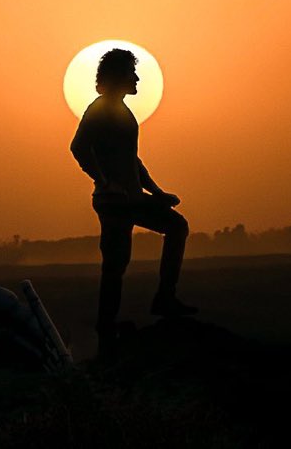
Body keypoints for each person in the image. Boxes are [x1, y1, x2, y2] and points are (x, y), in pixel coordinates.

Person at [70, 48, 198, 357]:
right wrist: (104, 181)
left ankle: (162, 300)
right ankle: (107, 334)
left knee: (174, 228)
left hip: (131, 197)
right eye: (132, 72)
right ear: (118, 76)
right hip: (114, 201)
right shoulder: (100, 109)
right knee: (116, 265)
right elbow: (78, 147)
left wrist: (156, 192)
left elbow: (132, 160)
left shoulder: (123, 113)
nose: (137, 77)